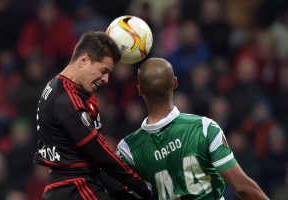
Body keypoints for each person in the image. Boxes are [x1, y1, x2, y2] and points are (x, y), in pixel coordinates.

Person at [117, 57, 269, 200]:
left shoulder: (127, 150)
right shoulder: (204, 127)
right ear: (175, 82)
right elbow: (242, 187)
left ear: (140, 90)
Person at [33, 31, 151, 200]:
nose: (106, 79)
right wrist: (142, 187)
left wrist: (124, 193)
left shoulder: (74, 93)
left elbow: (95, 161)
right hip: (74, 188)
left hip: (73, 186)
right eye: (103, 70)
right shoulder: (65, 99)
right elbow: (99, 153)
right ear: (83, 60)